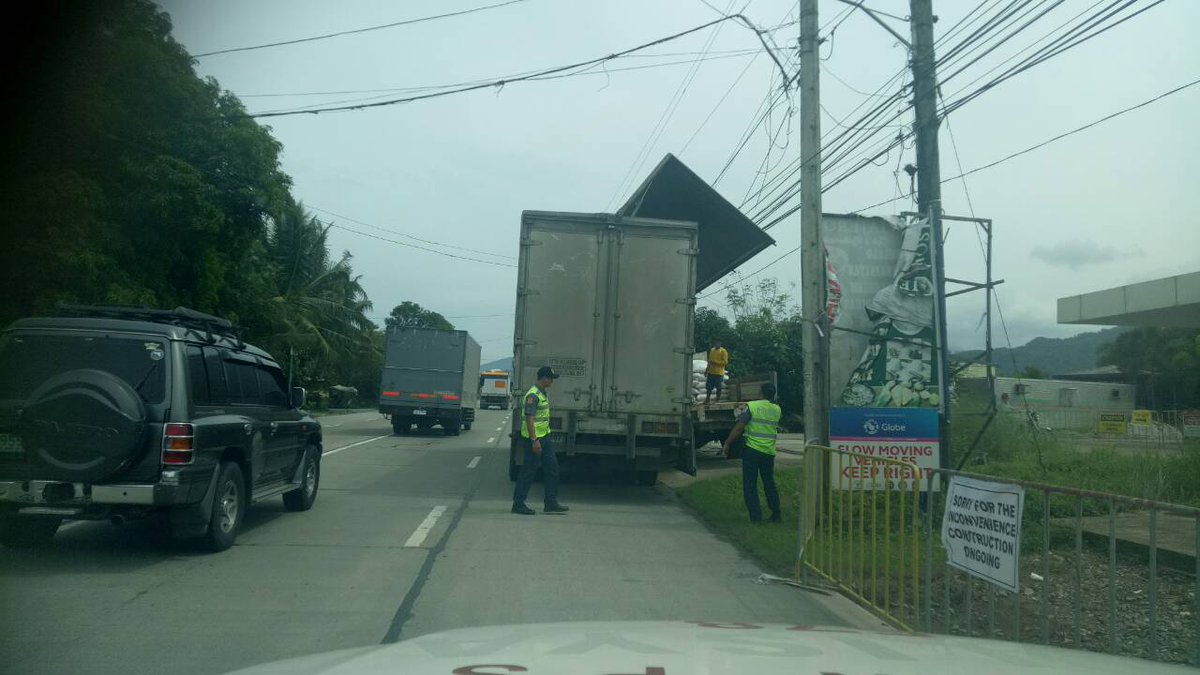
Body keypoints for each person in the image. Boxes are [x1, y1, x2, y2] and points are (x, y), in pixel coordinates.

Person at [512, 366, 569, 516]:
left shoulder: (543, 393)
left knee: (553, 468)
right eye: (550, 378)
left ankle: (550, 503)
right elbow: (530, 420)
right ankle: (518, 504)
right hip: (534, 439)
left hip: (545, 437)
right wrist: (534, 440)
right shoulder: (533, 395)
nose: (552, 381)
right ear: (543, 378)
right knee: (528, 471)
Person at [722, 383, 782, 523]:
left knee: (750, 485)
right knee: (769, 483)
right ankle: (776, 514)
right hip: (769, 452)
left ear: (760, 392)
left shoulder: (753, 406)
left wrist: (728, 443)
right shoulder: (777, 410)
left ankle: (756, 518)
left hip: (752, 450)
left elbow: (739, 428)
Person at [703, 339, 730, 405]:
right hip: (711, 372)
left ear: (721, 343)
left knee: (718, 387)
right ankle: (707, 399)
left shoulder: (723, 351)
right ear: (714, 343)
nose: (717, 344)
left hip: (719, 373)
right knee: (708, 387)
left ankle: (717, 400)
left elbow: (725, 362)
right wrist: (706, 370)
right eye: (716, 342)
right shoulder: (712, 350)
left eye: (719, 343)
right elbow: (709, 361)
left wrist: (716, 362)